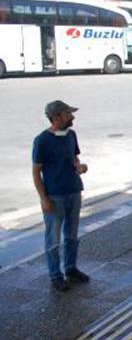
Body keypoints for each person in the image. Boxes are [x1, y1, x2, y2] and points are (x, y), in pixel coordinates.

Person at [32, 100, 90, 292]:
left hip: (74, 190)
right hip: (54, 196)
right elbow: (36, 172)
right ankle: (56, 275)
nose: (72, 117)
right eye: (68, 114)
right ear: (56, 117)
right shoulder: (41, 141)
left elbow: (73, 157)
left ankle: (71, 269)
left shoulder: (71, 135)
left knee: (72, 236)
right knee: (53, 240)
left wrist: (79, 166)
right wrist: (44, 199)